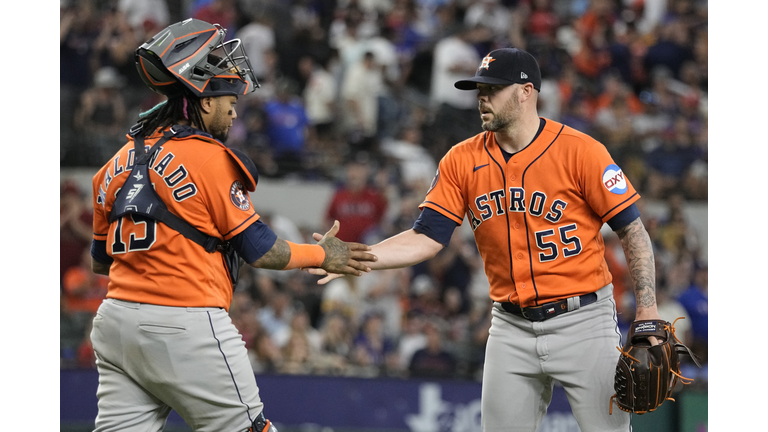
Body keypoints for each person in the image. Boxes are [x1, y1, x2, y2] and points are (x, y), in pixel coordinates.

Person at [308, 47, 663, 431]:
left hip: (583, 321)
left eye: (493, 89)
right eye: (479, 89)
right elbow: (426, 236)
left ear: (526, 91)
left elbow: (632, 230)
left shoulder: (581, 152)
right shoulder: (461, 160)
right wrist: (357, 256)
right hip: (510, 327)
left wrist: (647, 307)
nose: (482, 97)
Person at [88, 19, 375, 432]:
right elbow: (261, 250)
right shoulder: (208, 158)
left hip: (115, 325)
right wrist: (323, 255)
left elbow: (103, 262)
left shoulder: (112, 165)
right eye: (229, 99)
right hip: (184, 323)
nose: (234, 109)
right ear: (204, 101)